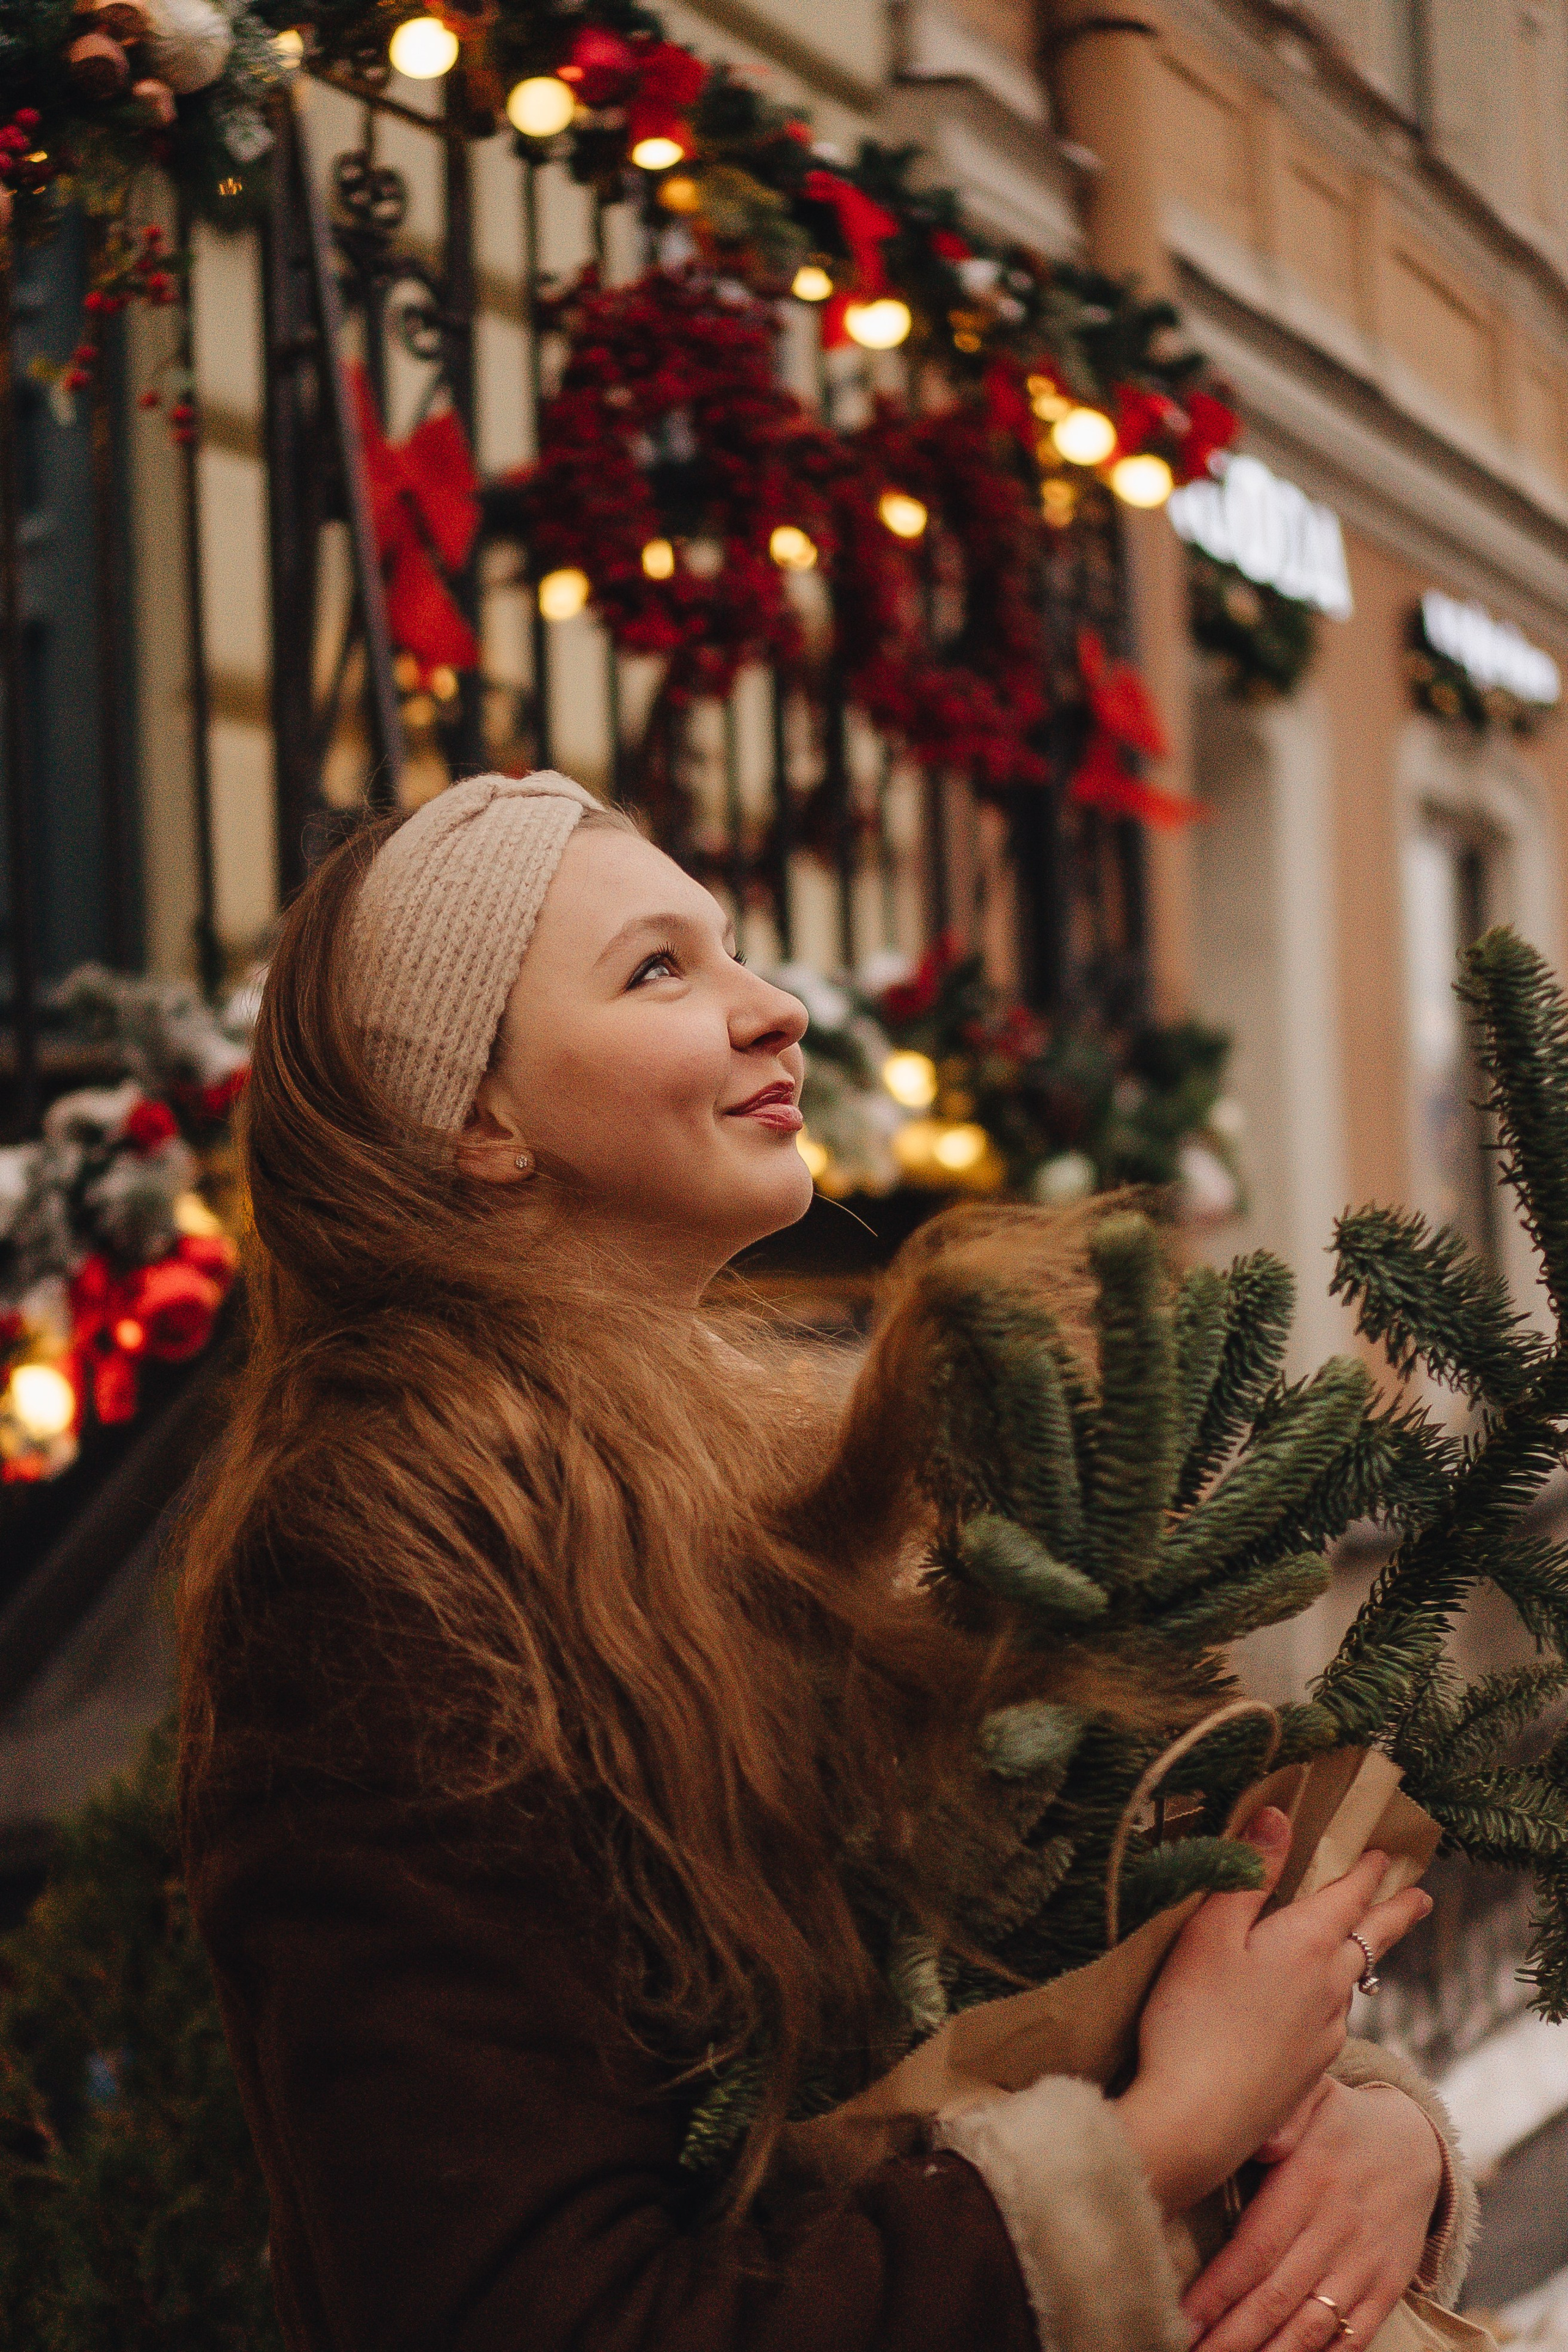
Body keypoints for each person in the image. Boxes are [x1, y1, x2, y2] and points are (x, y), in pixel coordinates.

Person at [177, 772, 1476, 2352]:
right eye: (660, 969)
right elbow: (530, 2306)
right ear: (476, 1120)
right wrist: (1158, 2154)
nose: (776, 1008)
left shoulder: (789, 1469)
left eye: (732, 952)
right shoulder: (382, 1570)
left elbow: (1056, 1943)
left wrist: (1363, 2139)